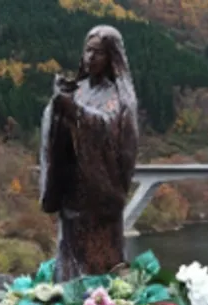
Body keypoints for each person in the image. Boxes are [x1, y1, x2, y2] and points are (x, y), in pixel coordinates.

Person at [39, 25, 139, 282]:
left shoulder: (118, 96)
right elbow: (56, 126)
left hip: (100, 195)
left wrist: (73, 111)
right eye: (88, 51)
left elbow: (111, 131)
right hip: (72, 189)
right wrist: (58, 106)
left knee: (99, 261)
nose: (91, 58)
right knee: (70, 256)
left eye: (99, 53)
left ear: (112, 59)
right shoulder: (78, 89)